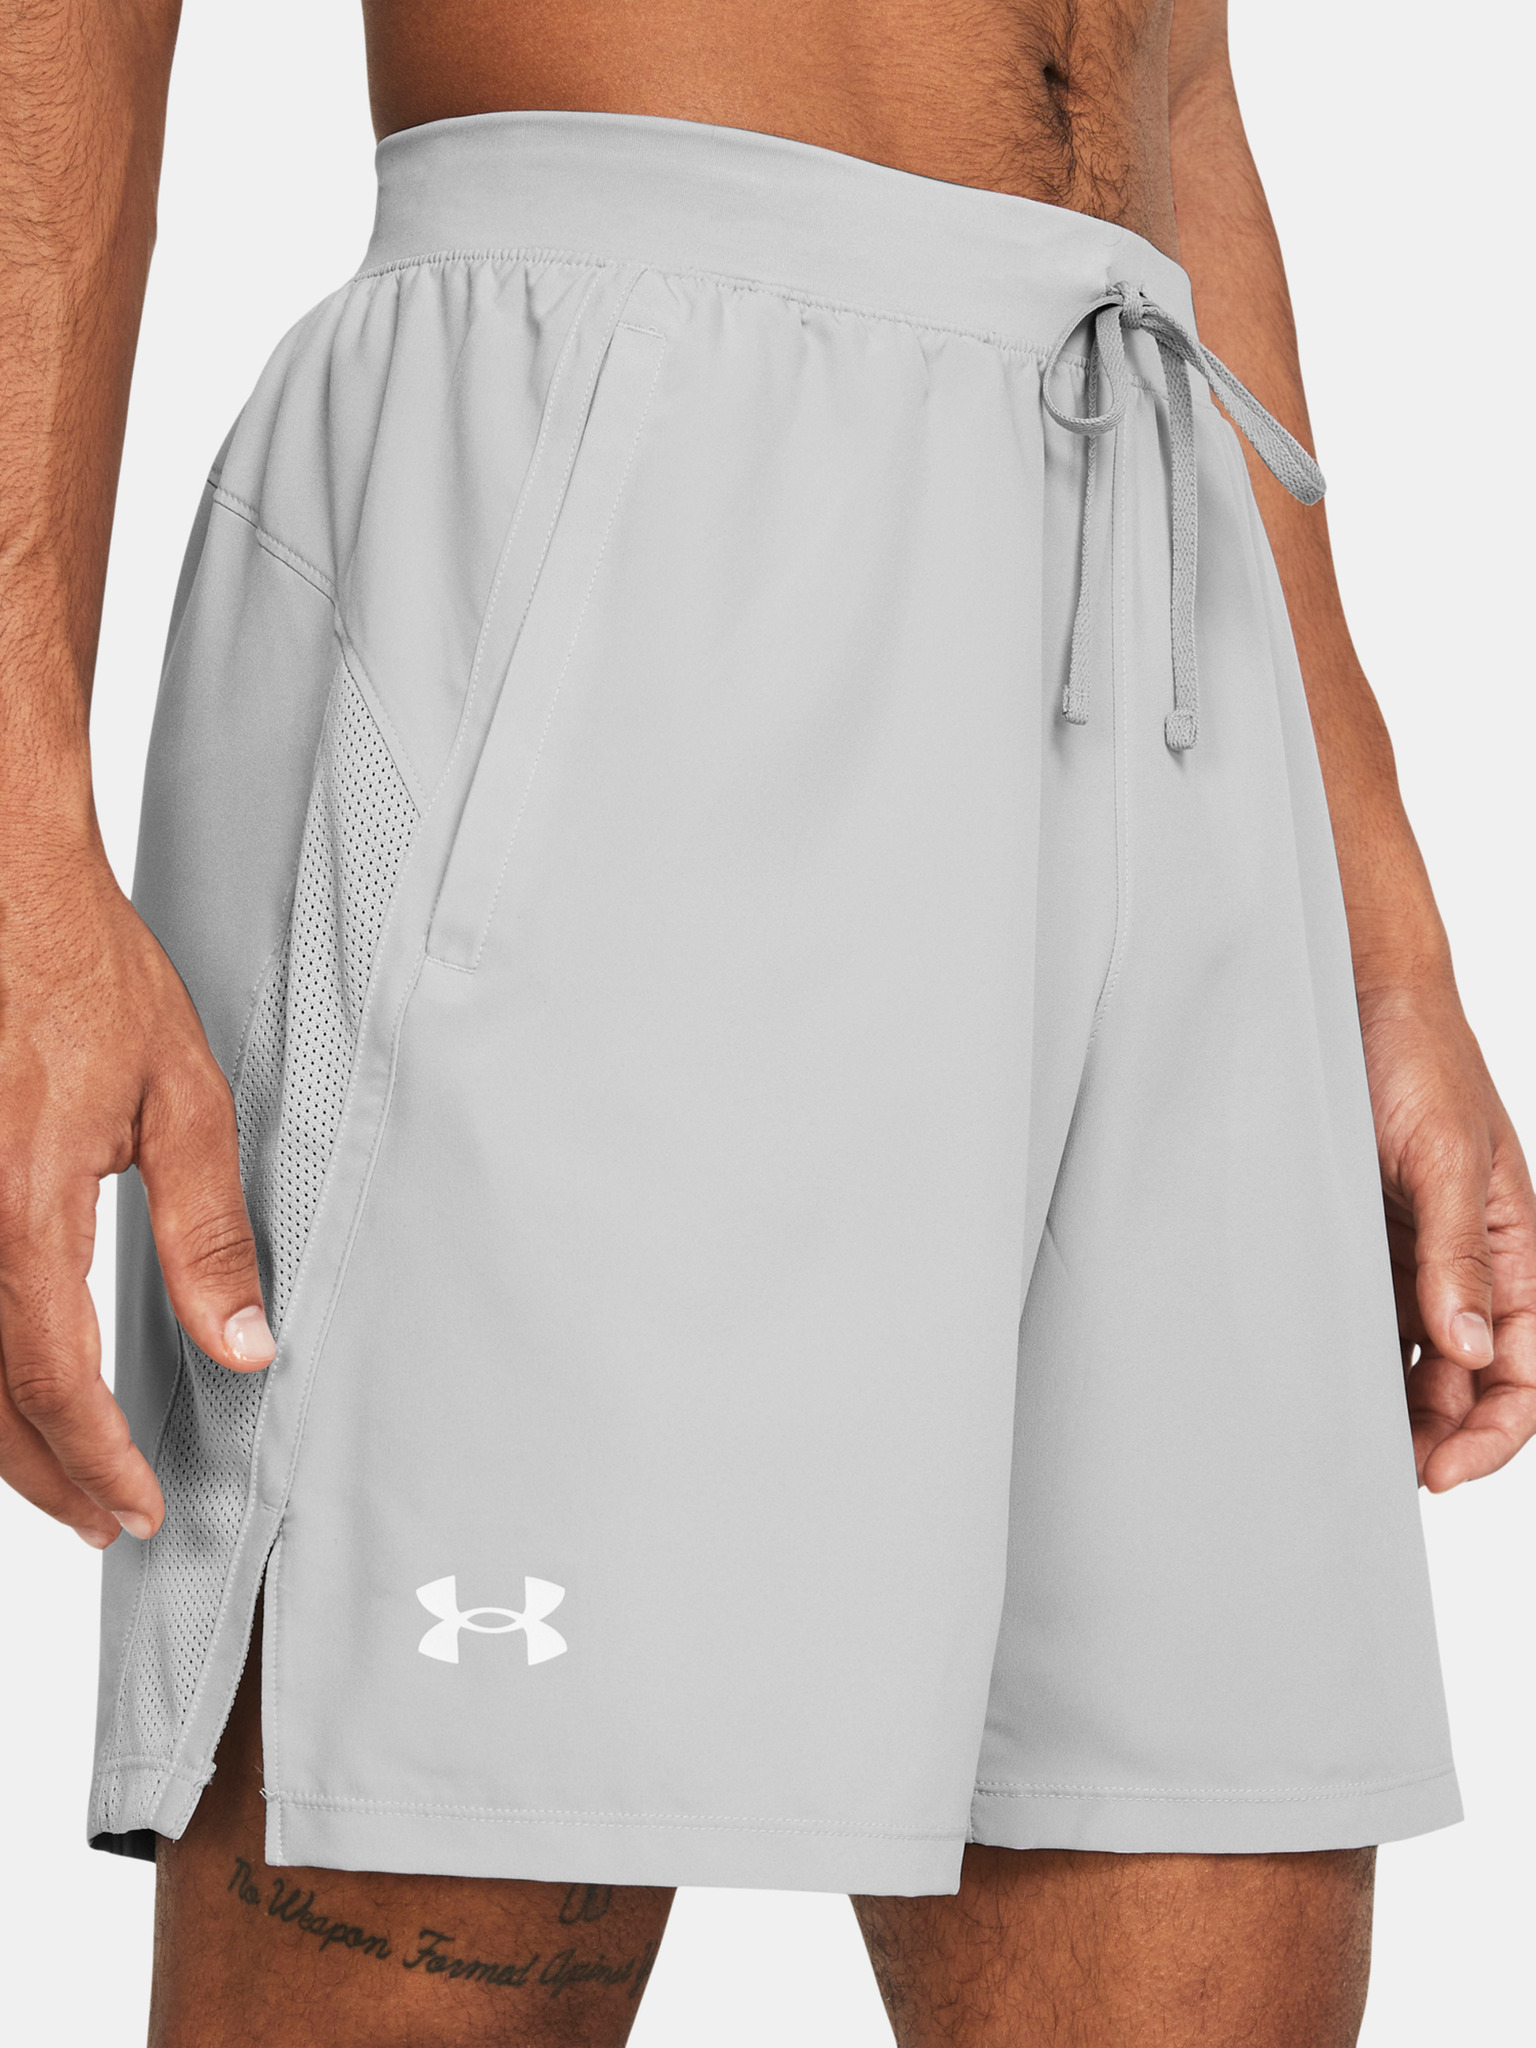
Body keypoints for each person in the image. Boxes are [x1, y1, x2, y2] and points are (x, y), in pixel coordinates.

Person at [2, 3, 1531, 2043]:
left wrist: (1381, 921)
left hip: (1159, 547)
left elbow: (1172, 72)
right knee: (443, 1843)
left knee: (1214, 1900)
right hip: (628, 456)